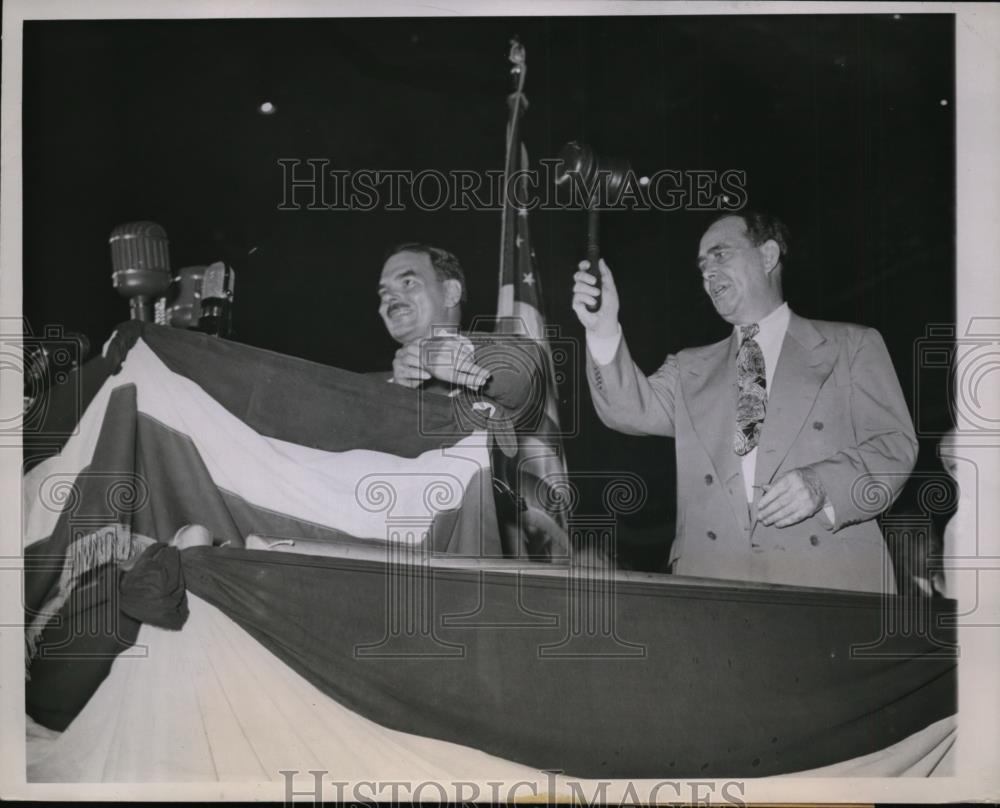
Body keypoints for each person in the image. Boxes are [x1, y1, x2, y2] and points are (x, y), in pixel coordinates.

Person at [572, 212, 918, 593]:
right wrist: (603, 330)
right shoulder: (689, 369)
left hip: (830, 587)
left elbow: (894, 446)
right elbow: (626, 409)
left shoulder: (851, 347)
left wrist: (823, 484)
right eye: (702, 265)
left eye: (720, 256)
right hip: (713, 595)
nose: (707, 274)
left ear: (768, 256)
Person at [377, 242, 567, 559]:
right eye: (383, 294)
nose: (390, 300)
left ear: (451, 293)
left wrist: (456, 354)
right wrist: (395, 390)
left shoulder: (505, 357)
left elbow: (521, 376)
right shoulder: (368, 387)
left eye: (408, 282)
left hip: (477, 569)